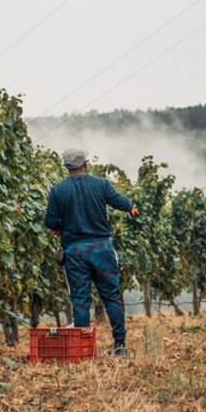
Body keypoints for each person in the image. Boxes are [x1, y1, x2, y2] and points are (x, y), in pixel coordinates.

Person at [45, 148, 138, 356]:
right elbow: (120, 201)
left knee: (80, 300)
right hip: (102, 248)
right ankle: (120, 346)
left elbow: (50, 221)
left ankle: (84, 350)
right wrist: (131, 207)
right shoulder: (100, 184)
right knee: (112, 297)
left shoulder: (58, 190)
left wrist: (61, 229)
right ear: (85, 163)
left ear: (66, 166)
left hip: (74, 251)